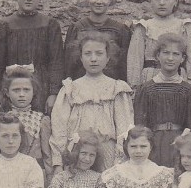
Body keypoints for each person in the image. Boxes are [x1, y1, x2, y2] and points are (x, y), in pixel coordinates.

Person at [50, 31, 135, 171]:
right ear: (81, 58)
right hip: (78, 151)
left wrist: (121, 160)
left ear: (108, 57)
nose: (93, 59)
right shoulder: (71, 88)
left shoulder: (116, 88)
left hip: (108, 151)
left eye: (99, 53)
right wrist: (59, 161)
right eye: (88, 54)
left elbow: (124, 127)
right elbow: (59, 127)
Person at [0, 0, 65, 114]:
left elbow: (56, 62)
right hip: (12, 89)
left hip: (42, 89)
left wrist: (54, 93)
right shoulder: (5, 26)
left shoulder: (50, 25)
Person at [132, 32, 191, 168]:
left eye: (176, 54)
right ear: (157, 56)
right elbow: (140, 124)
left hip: (180, 144)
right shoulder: (146, 89)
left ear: (183, 58)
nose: (170, 58)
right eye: (166, 53)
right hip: (152, 144)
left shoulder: (188, 90)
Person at [127, 0, 191, 88]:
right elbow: (134, 63)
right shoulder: (143, 27)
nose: (161, 3)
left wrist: (189, 85)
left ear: (175, 0)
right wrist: (136, 88)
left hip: (178, 80)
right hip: (149, 80)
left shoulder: (184, 27)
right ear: (151, 0)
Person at [62, 0, 131, 82]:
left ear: (110, 0)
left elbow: (124, 66)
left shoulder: (120, 30)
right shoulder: (77, 28)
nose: (99, 1)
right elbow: (68, 65)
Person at [0, 64, 53, 175]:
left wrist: (50, 177)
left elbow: (47, 154)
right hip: (8, 171)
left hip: (34, 172)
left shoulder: (41, 120)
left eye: (26, 90)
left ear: (34, 92)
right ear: (7, 92)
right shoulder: (0, 119)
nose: (22, 94)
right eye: (16, 90)